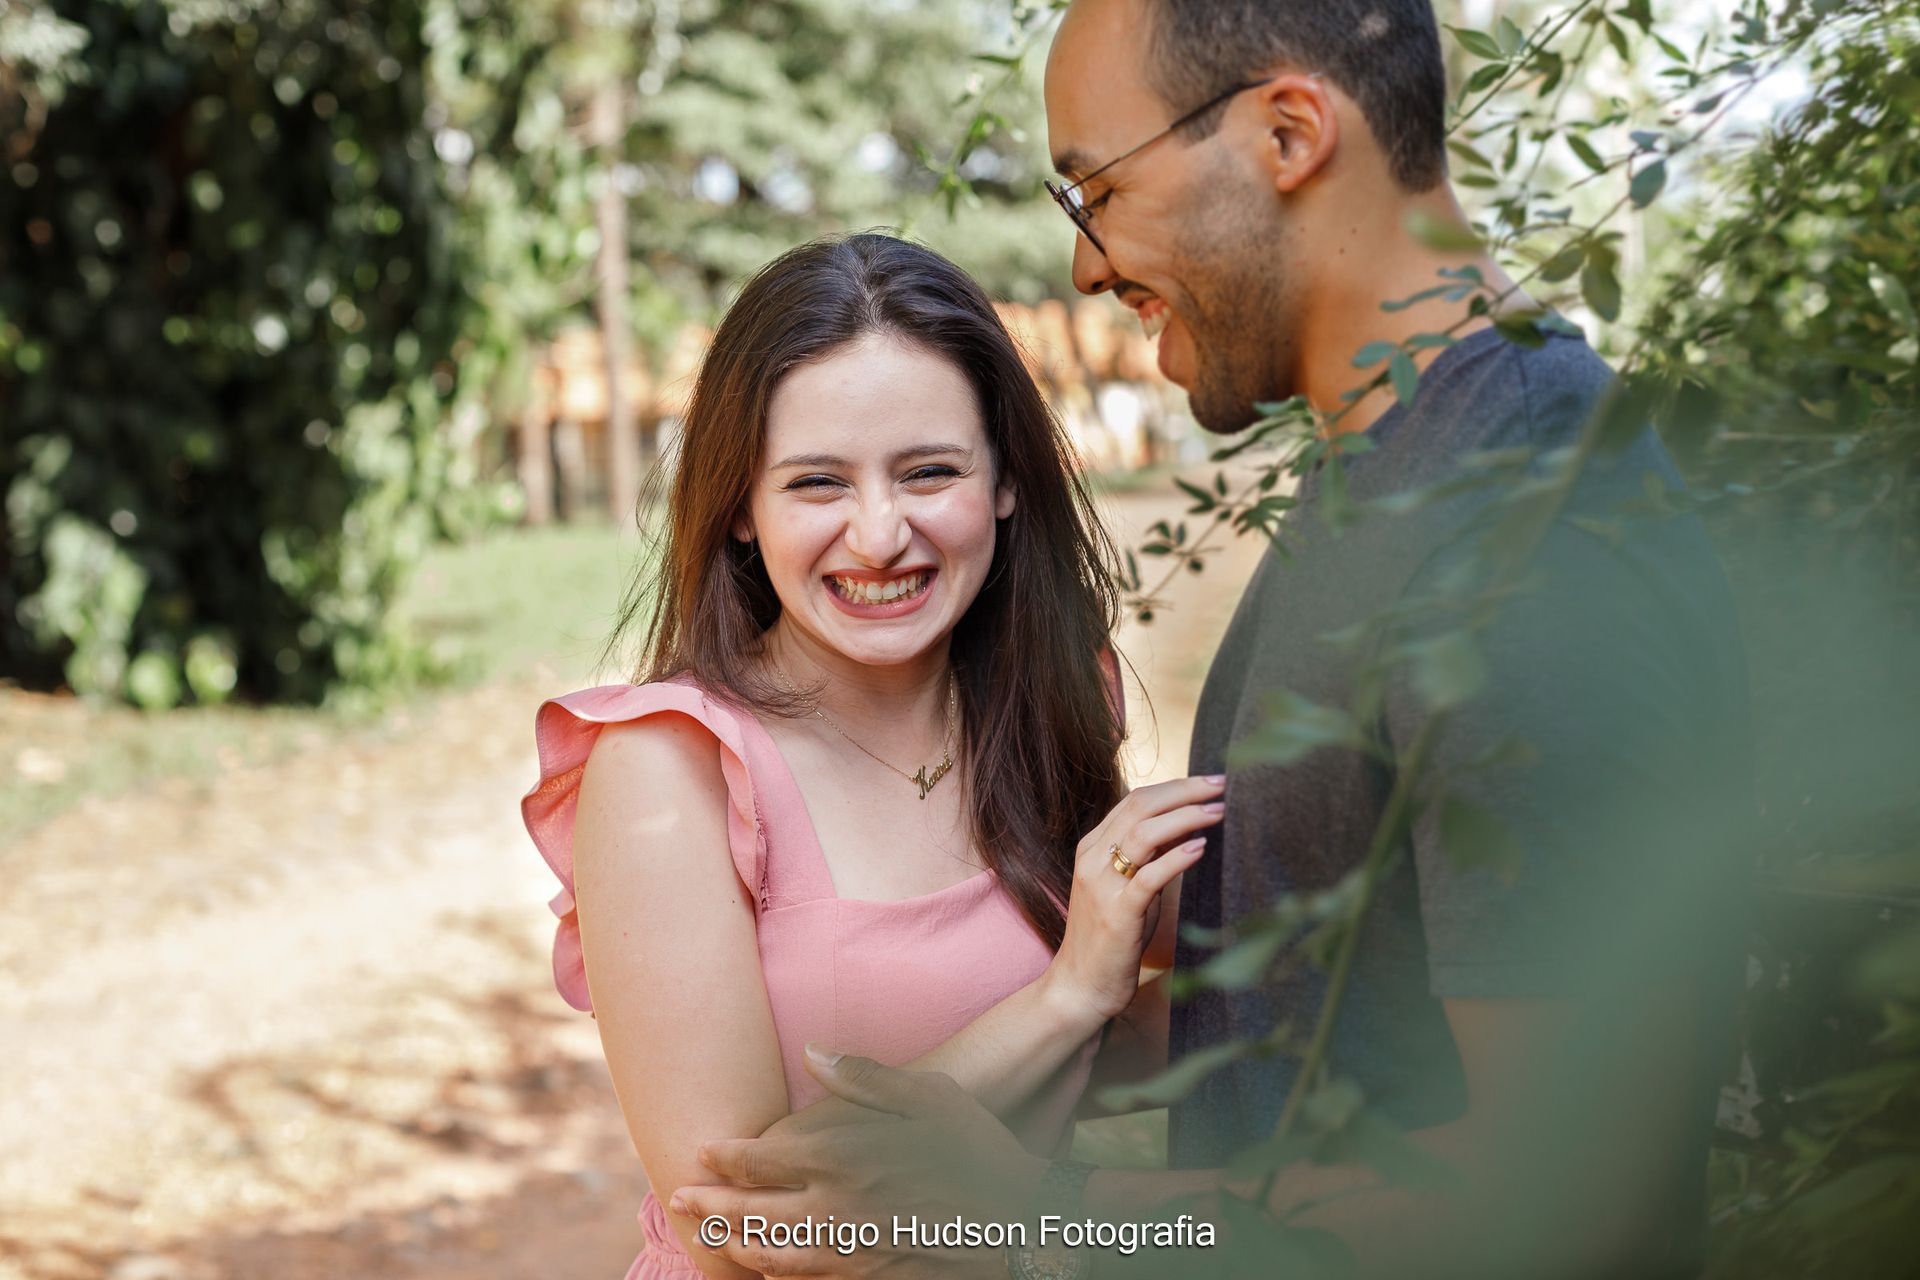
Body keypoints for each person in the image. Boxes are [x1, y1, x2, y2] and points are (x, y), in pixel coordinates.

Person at [668, 1, 1752, 1277]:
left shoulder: (1528, 529)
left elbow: (1567, 1190)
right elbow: (1322, 1015)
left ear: (1288, 132)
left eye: (1097, 190)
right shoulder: (1389, 478)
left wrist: (1044, 1222)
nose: (1084, 266)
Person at [521, 232, 1231, 1279]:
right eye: (817, 482)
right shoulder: (669, 770)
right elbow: (750, 1216)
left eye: (928, 471)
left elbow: (1134, 1054)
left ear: (1003, 484)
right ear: (742, 515)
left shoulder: (1049, 700)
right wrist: (1071, 992)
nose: (880, 533)